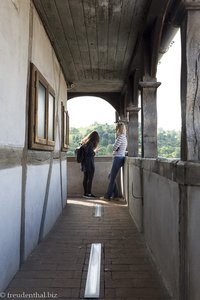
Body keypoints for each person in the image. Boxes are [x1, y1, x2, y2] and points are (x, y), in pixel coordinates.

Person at [101, 122, 127, 200]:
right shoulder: (124, 137)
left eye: (116, 128)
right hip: (120, 157)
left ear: (118, 129)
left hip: (118, 158)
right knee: (110, 176)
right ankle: (115, 195)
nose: (116, 130)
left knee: (111, 178)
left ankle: (107, 196)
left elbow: (114, 148)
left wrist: (114, 147)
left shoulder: (120, 137)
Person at [80, 130, 100, 199]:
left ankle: (85, 193)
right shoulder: (90, 143)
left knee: (85, 178)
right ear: (96, 138)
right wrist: (95, 151)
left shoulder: (85, 142)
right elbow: (89, 154)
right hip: (89, 163)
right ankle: (88, 193)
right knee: (90, 179)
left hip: (84, 163)